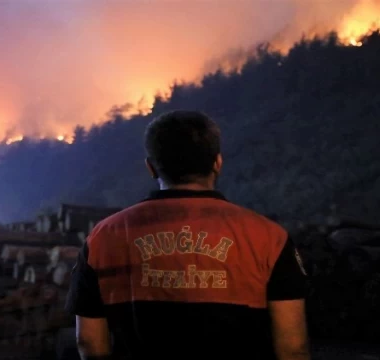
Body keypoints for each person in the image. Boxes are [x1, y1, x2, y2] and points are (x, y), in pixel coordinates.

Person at [66, 110, 311, 360]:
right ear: (217, 163)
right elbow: (292, 347)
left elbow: (88, 341)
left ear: (151, 167)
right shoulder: (269, 237)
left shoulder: (104, 237)